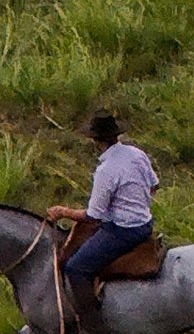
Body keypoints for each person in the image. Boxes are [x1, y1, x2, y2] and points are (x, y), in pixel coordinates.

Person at [46, 108, 158, 322]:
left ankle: (91, 322)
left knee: (76, 267)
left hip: (123, 231)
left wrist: (62, 212)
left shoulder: (106, 170)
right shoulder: (137, 154)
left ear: (96, 140)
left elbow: (93, 216)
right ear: (116, 135)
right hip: (145, 223)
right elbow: (154, 186)